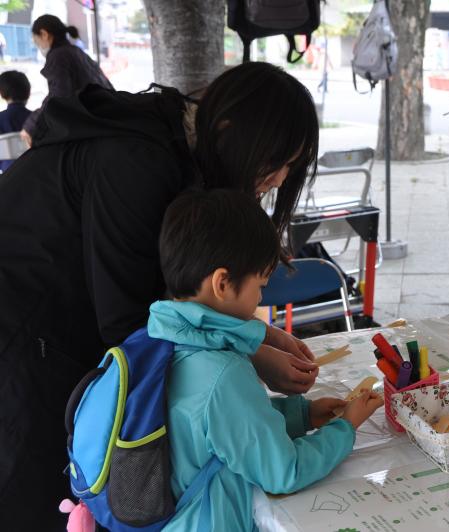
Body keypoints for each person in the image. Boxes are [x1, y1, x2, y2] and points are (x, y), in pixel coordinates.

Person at [0, 62, 322, 530]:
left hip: (63, 331)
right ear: (229, 130)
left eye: (289, 167)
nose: (276, 180)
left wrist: (259, 334)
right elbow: (131, 322)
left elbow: (180, 298)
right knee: (36, 497)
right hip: (24, 337)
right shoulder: (137, 162)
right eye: (275, 162)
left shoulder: (180, 149)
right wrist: (250, 352)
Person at [149, 189, 382, 530]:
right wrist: (344, 428)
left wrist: (302, 414)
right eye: (260, 285)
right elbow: (284, 471)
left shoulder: (166, 338)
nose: (261, 297)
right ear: (223, 283)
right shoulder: (221, 372)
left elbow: (226, 429)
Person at [21, 14, 113, 144]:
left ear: (44, 34)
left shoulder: (58, 56)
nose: (37, 45)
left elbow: (58, 96)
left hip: (92, 127)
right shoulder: (76, 51)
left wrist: (31, 125)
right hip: (106, 118)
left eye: (36, 41)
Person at [0, 70, 32, 171]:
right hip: (36, 170)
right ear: (28, 92)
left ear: (2, 93)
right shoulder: (37, 118)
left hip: (7, 174)